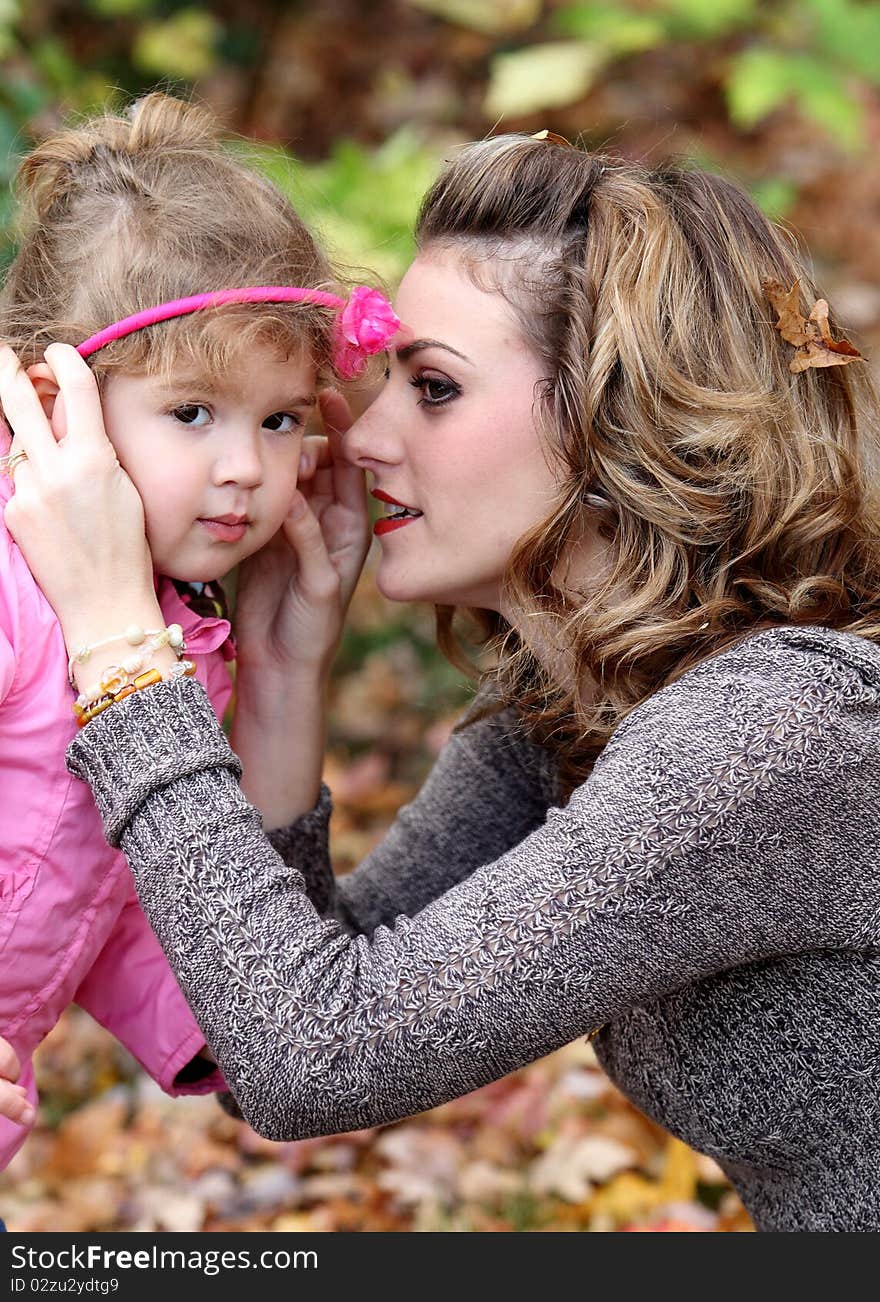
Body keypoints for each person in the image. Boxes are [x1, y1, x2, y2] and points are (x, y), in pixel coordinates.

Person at [3, 132, 880, 1233]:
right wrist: (279, 677)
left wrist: (116, 645)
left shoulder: (776, 734)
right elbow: (258, 1019)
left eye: (431, 388)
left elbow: (310, 1054)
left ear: (611, 418)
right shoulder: (565, 711)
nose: (358, 437)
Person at [0, 91, 395, 1171]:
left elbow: (104, 891)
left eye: (278, 420)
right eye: (193, 413)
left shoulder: (172, 641)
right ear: (55, 405)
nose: (245, 469)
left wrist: (214, 1032)